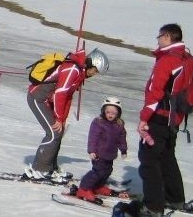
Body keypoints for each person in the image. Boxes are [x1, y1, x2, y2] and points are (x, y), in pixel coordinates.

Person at [135, 24, 193, 216]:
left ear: (168, 36)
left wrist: (144, 118)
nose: (158, 39)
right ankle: (175, 199)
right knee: (167, 157)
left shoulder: (168, 60)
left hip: (159, 116)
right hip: (174, 119)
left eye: (160, 36)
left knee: (149, 159)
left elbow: (155, 91)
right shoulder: (188, 58)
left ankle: (153, 207)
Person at [25, 48, 108, 183]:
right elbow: (60, 94)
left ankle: (50, 168)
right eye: (95, 70)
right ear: (91, 64)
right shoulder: (73, 69)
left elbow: (68, 98)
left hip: (46, 100)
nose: (94, 74)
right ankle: (39, 169)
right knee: (53, 133)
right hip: (37, 98)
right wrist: (58, 117)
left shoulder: (79, 73)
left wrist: (62, 119)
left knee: (59, 131)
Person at [73, 97, 128, 203]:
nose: (110, 115)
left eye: (113, 113)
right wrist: (92, 150)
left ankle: (98, 186)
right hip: (98, 154)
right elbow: (93, 137)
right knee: (97, 172)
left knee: (107, 171)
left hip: (110, 154)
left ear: (118, 113)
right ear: (103, 111)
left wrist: (123, 150)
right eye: (108, 112)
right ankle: (84, 189)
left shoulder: (119, 125)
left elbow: (122, 139)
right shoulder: (99, 122)